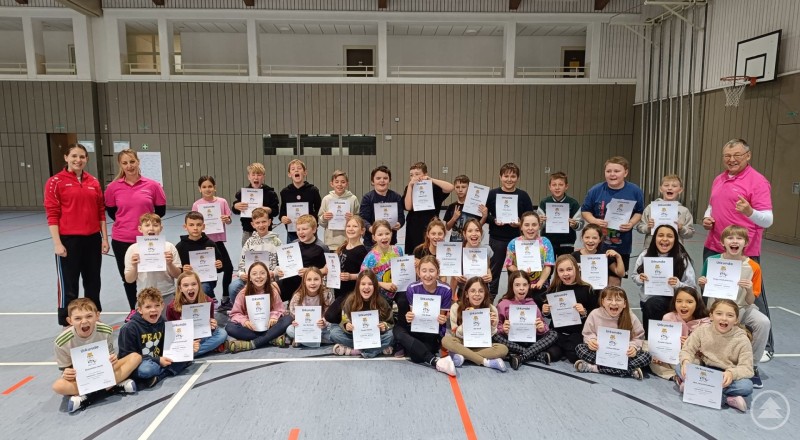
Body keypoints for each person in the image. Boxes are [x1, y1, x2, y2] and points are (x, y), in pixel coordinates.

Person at [702, 139, 774, 359]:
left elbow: (768, 220)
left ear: (748, 156)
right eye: (727, 156)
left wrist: (750, 211)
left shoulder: (758, 182)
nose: (731, 160)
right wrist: (707, 217)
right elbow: (712, 205)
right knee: (714, 296)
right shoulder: (719, 178)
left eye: (737, 155)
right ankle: (715, 342)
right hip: (715, 246)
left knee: (752, 295)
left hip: (745, 250)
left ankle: (766, 347)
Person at [44, 143, 109, 326]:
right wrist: (57, 243)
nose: (78, 160)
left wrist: (104, 238)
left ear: (86, 159)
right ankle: (67, 321)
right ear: (66, 157)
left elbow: (100, 212)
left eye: (81, 157)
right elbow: (52, 213)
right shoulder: (55, 182)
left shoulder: (93, 182)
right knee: (69, 284)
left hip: (92, 239)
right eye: (74, 156)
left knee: (93, 282)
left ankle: (93, 317)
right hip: (68, 240)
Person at [698, 225, 770, 388]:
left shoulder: (753, 267)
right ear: (723, 242)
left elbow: (751, 301)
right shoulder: (712, 261)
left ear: (746, 243)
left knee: (763, 322)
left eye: (739, 238)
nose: (734, 241)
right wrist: (702, 284)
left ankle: (752, 366)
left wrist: (749, 289)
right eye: (730, 238)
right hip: (717, 308)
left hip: (741, 307)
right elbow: (705, 290)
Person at [52, 298, 141, 413]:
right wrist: (67, 373)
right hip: (81, 377)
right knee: (58, 386)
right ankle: (113, 387)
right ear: (70, 321)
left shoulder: (106, 331)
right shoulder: (61, 342)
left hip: (103, 371)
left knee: (135, 357)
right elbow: (66, 370)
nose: (84, 321)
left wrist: (113, 359)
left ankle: (86, 396)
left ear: (97, 316)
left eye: (89, 316)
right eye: (78, 318)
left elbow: (110, 358)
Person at [104, 149, 167, 310]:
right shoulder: (112, 188)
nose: (129, 166)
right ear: (120, 165)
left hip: (148, 240)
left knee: (150, 277)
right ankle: (135, 310)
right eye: (125, 163)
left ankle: (152, 309)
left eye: (132, 161)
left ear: (138, 162)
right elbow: (112, 212)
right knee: (129, 278)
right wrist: (127, 223)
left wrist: (148, 227)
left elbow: (160, 211)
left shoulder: (153, 185)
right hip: (122, 240)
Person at [676, 299, 753, 413]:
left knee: (746, 386)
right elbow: (687, 349)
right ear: (711, 316)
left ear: (736, 320)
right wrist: (686, 361)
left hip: (726, 375)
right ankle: (727, 398)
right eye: (719, 314)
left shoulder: (742, 339)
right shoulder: (702, 330)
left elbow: (747, 368)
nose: (724, 318)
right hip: (706, 369)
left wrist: (732, 373)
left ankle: (695, 389)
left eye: (730, 315)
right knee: (679, 367)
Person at [581, 156, 645, 276]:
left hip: (621, 244)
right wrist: (594, 220)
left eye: (617, 171)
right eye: (608, 171)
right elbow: (585, 211)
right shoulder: (595, 190)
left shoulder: (635, 191)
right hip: (597, 244)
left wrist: (631, 223)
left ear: (625, 172)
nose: (612, 174)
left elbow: (639, 212)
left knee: (615, 279)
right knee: (594, 276)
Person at [394, 256, 458, 376]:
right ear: (418, 272)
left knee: (416, 357)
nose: (427, 275)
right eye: (424, 271)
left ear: (438, 273)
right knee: (397, 330)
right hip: (418, 328)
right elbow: (415, 317)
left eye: (431, 271)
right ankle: (436, 361)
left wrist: (442, 319)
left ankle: (415, 348)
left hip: (433, 330)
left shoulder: (446, 290)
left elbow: (442, 317)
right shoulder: (412, 288)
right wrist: (410, 316)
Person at [118, 287, 191, 389]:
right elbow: (127, 358)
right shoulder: (129, 329)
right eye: (148, 307)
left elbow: (170, 346)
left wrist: (187, 347)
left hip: (158, 359)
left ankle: (158, 377)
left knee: (185, 357)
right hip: (142, 363)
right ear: (140, 310)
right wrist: (157, 360)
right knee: (147, 370)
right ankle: (163, 373)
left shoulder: (163, 323)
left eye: (157, 305)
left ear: (162, 306)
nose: (153, 310)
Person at [631, 224, 696, 336]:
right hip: (648, 301)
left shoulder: (682, 258)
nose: (665, 239)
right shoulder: (645, 255)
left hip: (674, 301)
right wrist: (640, 278)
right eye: (660, 235)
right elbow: (634, 276)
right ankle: (650, 340)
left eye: (669, 236)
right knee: (651, 308)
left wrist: (678, 284)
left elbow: (692, 287)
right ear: (654, 238)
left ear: (675, 240)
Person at [574, 286, 651, 380]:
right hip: (601, 352)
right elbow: (588, 333)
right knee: (580, 348)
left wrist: (633, 347)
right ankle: (628, 370)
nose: (614, 303)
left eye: (618, 300)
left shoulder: (631, 317)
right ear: (602, 302)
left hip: (623, 355)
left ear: (624, 304)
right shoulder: (595, 314)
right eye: (609, 299)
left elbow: (639, 337)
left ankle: (594, 368)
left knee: (647, 356)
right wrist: (591, 341)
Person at [486, 163, 535, 298]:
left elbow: (529, 216)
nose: (509, 179)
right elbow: (485, 216)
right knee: (494, 272)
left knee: (516, 273)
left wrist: (520, 223)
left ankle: (514, 299)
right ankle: (490, 299)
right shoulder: (492, 194)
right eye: (506, 176)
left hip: (518, 240)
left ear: (517, 178)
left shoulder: (523, 195)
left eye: (513, 176)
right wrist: (494, 220)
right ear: (500, 177)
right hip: (497, 239)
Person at [441, 277, 509, 372]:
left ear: (485, 293)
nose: (477, 294)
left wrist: (493, 325)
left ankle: (463, 356)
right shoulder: (456, 307)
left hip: (481, 344)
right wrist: (467, 323)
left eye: (481, 291)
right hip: (462, 342)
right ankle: (486, 362)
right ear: (466, 294)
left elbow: (490, 336)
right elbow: (455, 333)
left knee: (503, 349)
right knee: (446, 340)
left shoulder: (492, 309)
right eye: (472, 291)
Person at [495, 271, 558, 370]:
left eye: (525, 285)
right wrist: (503, 329)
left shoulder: (532, 304)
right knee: (494, 336)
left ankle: (521, 356)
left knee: (553, 334)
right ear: (511, 286)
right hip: (511, 341)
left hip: (529, 340)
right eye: (517, 285)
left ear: (529, 286)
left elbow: (544, 326)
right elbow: (496, 328)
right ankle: (534, 355)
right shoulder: (503, 304)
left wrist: (541, 329)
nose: (521, 288)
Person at [225, 261, 293, 352]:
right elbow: (235, 313)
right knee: (230, 327)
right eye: (254, 274)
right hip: (251, 328)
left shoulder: (272, 291)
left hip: (269, 326)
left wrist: (273, 317)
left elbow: (280, 309)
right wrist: (245, 321)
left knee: (288, 319)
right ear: (249, 278)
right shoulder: (243, 293)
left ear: (267, 276)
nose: (258, 277)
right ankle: (271, 339)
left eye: (262, 273)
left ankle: (252, 344)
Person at [543, 255, 597, 363]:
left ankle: (567, 350)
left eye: (569, 269)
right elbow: (550, 315)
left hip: (576, 332)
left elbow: (594, 313)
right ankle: (561, 350)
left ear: (576, 269)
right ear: (557, 273)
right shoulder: (554, 289)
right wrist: (546, 312)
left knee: (574, 356)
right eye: (561, 270)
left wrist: (583, 312)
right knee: (553, 354)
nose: (566, 273)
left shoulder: (587, 289)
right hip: (557, 332)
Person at [647, 286, 709, 380]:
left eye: (689, 302)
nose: (683, 305)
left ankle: (678, 375)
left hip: (692, 357)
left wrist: (691, 345)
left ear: (697, 304)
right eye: (679, 301)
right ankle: (676, 376)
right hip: (671, 355)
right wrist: (658, 354)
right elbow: (661, 341)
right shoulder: (668, 317)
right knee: (648, 353)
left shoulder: (705, 323)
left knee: (693, 363)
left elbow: (708, 350)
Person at [123, 213, 182, 311]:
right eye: (147, 225)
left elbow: (178, 275)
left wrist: (170, 263)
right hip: (144, 295)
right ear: (140, 229)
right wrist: (135, 266)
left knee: (168, 324)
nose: (151, 228)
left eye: (155, 225)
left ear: (161, 228)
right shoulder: (133, 249)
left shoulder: (169, 247)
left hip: (167, 293)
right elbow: (129, 280)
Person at [192, 176, 234, 310]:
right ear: (200, 189)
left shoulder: (222, 202)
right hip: (203, 243)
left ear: (214, 187)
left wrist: (226, 219)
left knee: (228, 268)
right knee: (207, 271)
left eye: (210, 186)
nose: (207, 189)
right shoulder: (197, 204)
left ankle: (226, 298)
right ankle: (210, 296)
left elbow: (229, 220)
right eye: (204, 187)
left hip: (218, 241)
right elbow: (193, 223)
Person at [331, 271, 395, 358]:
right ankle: (377, 349)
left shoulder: (381, 302)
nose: (366, 287)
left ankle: (354, 351)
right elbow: (344, 320)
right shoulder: (350, 301)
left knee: (392, 335)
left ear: (375, 286)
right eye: (363, 284)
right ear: (358, 286)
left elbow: (390, 322)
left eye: (370, 284)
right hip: (355, 336)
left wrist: (384, 326)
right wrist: (347, 325)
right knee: (334, 332)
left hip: (374, 336)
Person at [166, 271, 228, 357]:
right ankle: (198, 350)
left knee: (222, 334)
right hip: (184, 339)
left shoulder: (208, 301)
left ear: (199, 285)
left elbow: (209, 326)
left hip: (201, 336)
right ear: (180, 288)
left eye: (194, 284)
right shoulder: (172, 307)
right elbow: (171, 334)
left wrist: (212, 324)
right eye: (186, 285)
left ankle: (189, 353)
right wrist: (180, 326)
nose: (190, 288)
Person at [228, 207, 281, 306]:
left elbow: (282, 264)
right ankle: (242, 309)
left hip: (269, 279)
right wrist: (241, 274)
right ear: (253, 224)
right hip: (250, 279)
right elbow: (241, 263)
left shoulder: (276, 242)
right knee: (233, 287)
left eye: (264, 221)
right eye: (257, 222)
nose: (261, 225)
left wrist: (274, 273)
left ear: (269, 222)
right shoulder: (249, 242)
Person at [503, 211, 555, 307]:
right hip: (520, 286)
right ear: (521, 227)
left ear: (539, 226)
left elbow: (548, 266)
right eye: (526, 225)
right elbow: (509, 264)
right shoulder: (513, 243)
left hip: (540, 287)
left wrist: (540, 282)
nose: (530, 228)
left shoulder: (545, 242)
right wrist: (520, 272)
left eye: (534, 225)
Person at [402, 162, 454, 254]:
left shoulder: (434, 187)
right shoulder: (409, 188)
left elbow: (450, 187)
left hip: (431, 224)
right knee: (415, 252)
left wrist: (431, 179)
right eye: (411, 175)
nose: (414, 177)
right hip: (414, 225)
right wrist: (410, 186)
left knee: (431, 251)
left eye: (417, 174)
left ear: (425, 174)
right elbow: (408, 206)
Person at [324, 216, 368, 324]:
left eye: (355, 226)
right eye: (348, 226)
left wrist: (351, 276)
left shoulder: (362, 251)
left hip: (351, 292)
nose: (351, 228)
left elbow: (366, 275)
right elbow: (330, 266)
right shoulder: (342, 247)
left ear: (362, 231)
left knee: (331, 316)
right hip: (339, 289)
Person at [276, 214, 328, 302]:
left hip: (307, 285)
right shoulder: (293, 244)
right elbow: (283, 264)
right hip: (289, 281)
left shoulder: (321, 247)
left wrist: (309, 272)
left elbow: (326, 270)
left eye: (304, 229)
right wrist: (279, 271)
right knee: (269, 290)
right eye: (298, 229)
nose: (300, 232)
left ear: (314, 230)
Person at [635, 174, 694, 249]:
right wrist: (648, 227)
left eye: (674, 186)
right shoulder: (650, 208)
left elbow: (690, 233)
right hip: (651, 248)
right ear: (660, 189)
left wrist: (681, 228)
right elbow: (640, 228)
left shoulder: (684, 211)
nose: (670, 188)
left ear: (680, 190)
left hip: (675, 250)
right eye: (666, 185)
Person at [175, 211, 224, 300]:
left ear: (203, 226)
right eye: (191, 225)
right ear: (185, 227)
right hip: (188, 280)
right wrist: (183, 269)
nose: (195, 228)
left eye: (198, 225)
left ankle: (210, 299)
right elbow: (177, 269)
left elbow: (220, 266)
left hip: (207, 280)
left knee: (203, 288)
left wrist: (219, 265)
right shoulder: (180, 246)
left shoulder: (210, 244)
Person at [232, 162, 280, 247]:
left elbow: (275, 211)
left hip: (266, 231)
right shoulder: (242, 193)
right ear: (249, 177)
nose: (256, 177)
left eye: (259, 174)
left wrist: (268, 210)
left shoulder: (270, 193)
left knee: (267, 255)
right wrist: (236, 206)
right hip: (248, 231)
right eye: (253, 174)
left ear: (263, 177)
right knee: (248, 257)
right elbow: (235, 210)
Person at [285, 267, 334, 348]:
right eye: (309, 279)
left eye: (316, 279)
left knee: (334, 333)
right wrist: (296, 322)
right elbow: (294, 314)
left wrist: (324, 322)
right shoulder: (298, 296)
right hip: (305, 328)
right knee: (290, 330)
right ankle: (317, 342)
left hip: (321, 328)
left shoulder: (327, 294)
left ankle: (302, 340)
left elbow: (329, 314)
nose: (312, 283)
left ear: (321, 281)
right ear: (304, 282)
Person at [538, 171, 584, 257]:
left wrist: (574, 224)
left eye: (560, 185)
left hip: (567, 241)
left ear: (566, 186)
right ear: (550, 187)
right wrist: (539, 221)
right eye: (554, 185)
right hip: (548, 240)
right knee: (548, 267)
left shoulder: (573, 203)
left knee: (564, 266)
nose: (557, 188)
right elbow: (538, 225)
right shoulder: (544, 202)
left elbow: (580, 225)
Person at [359, 165, 405, 249]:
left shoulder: (396, 197)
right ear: (373, 181)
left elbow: (401, 217)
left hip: (390, 242)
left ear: (389, 181)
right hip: (371, 243)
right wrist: (371, 228)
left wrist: (399, 223)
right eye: (378, 178)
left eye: (385, 178)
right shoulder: (367, 198)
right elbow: (363, 219)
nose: (382, 181)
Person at [360, 220, 404, 302]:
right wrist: (382, 284)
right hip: (378, 295)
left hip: (396, 290)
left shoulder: (398, 250)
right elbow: (362, 278)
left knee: (404, 300)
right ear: (374, 237)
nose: (384, 237)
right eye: (380, 235)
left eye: (387, 233)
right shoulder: (370, 257)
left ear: (391, 233)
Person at [279, 159, 322, 243]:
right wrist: (282, 218)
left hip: (309, 231)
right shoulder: (285, 192)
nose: (296, 170)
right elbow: (282, 212)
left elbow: (319, 210)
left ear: (305, 172)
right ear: (289, 174)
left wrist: (314, 221)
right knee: (293, 256)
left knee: (312, 254)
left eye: (299, 168)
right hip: (292, 232)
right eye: (293, 169)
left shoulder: (313, 190)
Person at [571, 224, 626, 289]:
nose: (590, 241)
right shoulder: (574, 256)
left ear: (600, 239)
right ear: (582, 238)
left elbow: (621, 273)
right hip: (580, 293)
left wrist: (618, 257)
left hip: (599, 294)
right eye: (587, 237)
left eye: (594, 238)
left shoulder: (604, 256)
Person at [451, 218, 493, 300]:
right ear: (464, 234)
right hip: (464, 292)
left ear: (481, 233)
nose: (474, 234)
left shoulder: (487, 249)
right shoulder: (458, 251)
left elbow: (488, 267)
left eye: (477, 230)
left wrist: (489, 275)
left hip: (482, 292)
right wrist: (452, 298)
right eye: (470, 231)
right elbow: (453, 278)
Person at [318, 170, 360, 251]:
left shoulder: (353, 199)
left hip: (349, 242)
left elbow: (359, 219)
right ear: (332, 184)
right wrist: (324, 217)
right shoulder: (327, 199)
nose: (340, 184)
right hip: (331, 243)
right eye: (336, 182)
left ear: (347, 183)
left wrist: (353, 219)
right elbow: (321, 222)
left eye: (343, 182)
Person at [443, 175, 488, 243]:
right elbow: (447, 227)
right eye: (457, 187)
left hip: (471, 241)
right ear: (454, 188)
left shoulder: (475, 206)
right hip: (455, 241)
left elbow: (478, 226)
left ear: (469, 188)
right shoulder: (451, 206)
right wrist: (454, 218)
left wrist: (484, 217)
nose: (460, 190)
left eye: (463, 187)